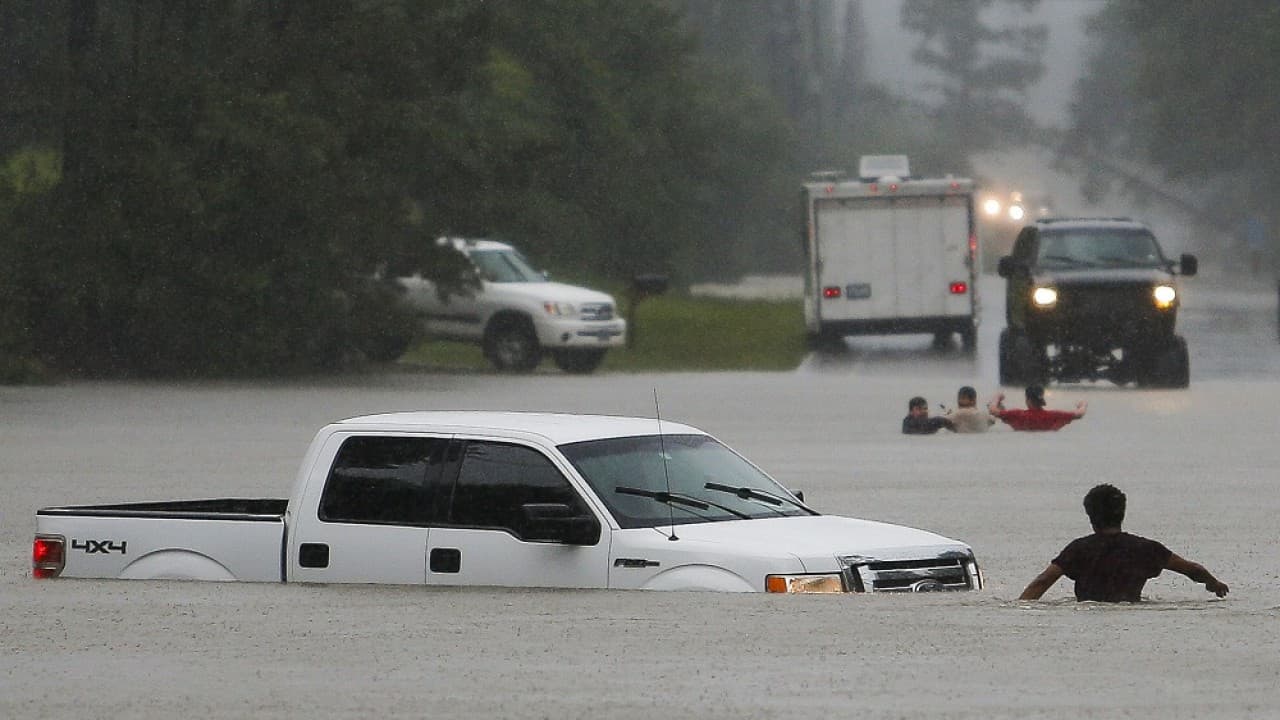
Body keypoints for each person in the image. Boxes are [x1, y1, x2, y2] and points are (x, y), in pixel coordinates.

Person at [1019, 484, 1229, 602]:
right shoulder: (1146, 549)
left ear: (1090, 516)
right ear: (1122, 513)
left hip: (1087, 614)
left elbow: (1043, 581)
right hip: (1131, 609)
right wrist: (1213, 583)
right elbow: (1192, 569)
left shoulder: (1079, 549)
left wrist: (1021, 608)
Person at [988, 384, 1085, 431]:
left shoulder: (1018, 415)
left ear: (1028, 400)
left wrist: (997, 397)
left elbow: (992, 410)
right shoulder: (1054, 416)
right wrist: (1083, 404)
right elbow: (1079, 414)